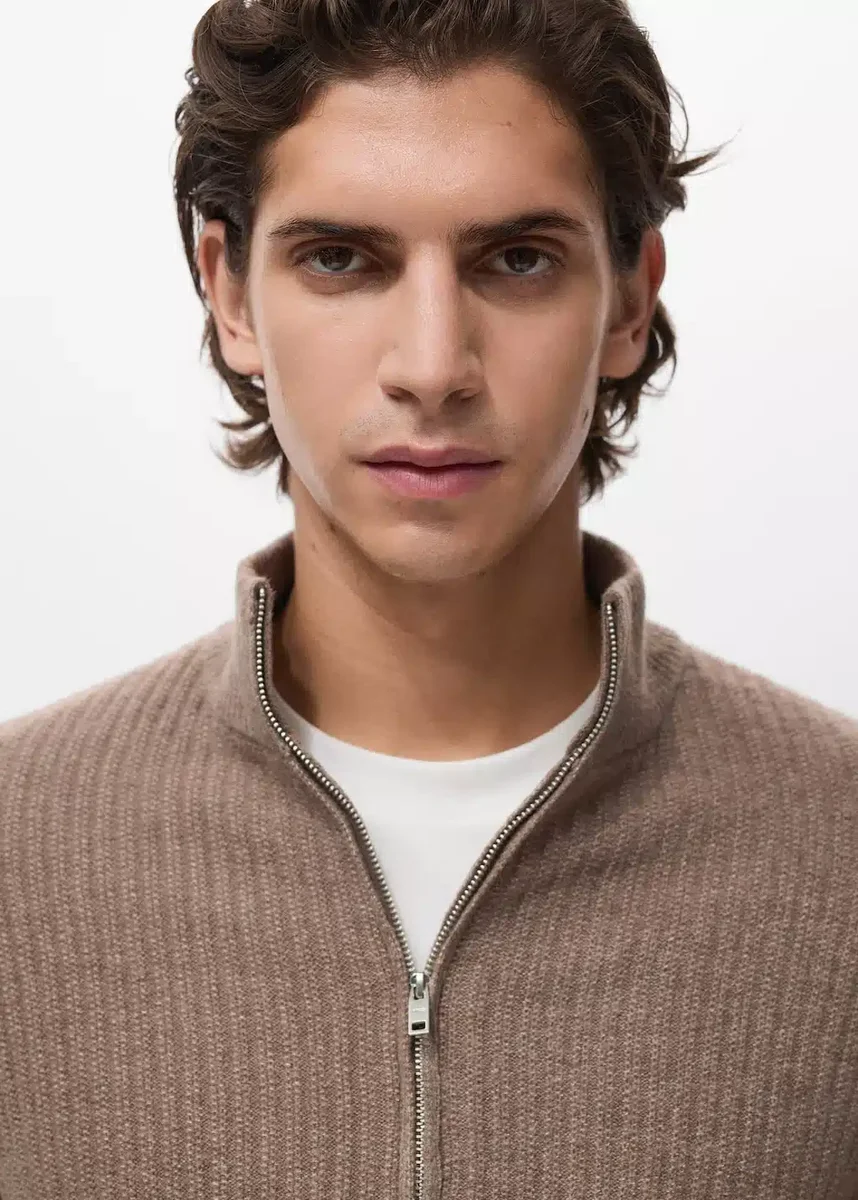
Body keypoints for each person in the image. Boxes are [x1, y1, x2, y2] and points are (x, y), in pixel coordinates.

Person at [1, 0, 856, 1196]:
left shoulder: (838, 846)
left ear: (628, 299)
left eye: (518, 260)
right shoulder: (20, 846)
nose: (432, 367)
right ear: (230, 293)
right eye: (341, 260)